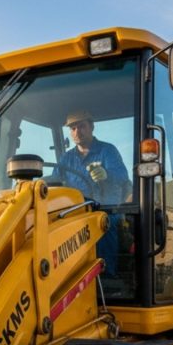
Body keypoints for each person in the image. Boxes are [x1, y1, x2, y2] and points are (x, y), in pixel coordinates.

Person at [52, 109, 130, 275]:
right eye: (73, 128)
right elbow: (56, 183)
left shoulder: (108, 151)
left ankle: (108, 276)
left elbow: (123, 177)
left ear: (91, 127)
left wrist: (106, 174)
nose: (77, 131)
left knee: (103, 224)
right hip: (75, 212)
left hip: (104, 209)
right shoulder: (67, 158)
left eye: (81, 126)